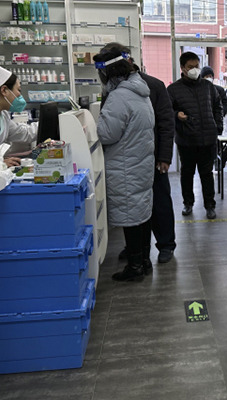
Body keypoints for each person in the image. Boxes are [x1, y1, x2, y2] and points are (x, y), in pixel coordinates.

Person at [102, 43, 177, 264]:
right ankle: (136, 248)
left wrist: (164, 157)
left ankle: (165, 244)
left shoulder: (153, 85)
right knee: (134, 206)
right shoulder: (113, 88)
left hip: (152, 158)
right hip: (130, 159)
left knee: (159, 202)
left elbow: (166, 123)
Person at [95, 48, 156, 282]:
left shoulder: (119, 96)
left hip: (125, 166)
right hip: (139, 163)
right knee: (141, 214)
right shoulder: (140, 92)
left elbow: (107, 134)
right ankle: (145, 260)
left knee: (131, 217)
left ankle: (135, 266)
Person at [167, 52, 223, 220]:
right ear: (182, 68)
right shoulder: (173, 89)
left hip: (207, 140)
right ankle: (188, 203)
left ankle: (210, 206)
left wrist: (217, 128)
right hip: (187, 140)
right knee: (187, 174)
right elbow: (166, 111)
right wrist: (177, 115)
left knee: (207, 174)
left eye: (196, 66)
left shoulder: (208, 87)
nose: (194, 70)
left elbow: (218, 107)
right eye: (190, 67)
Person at [201, 66, 227, 168]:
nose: (209, 78)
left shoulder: (219, 90)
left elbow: (225, 103)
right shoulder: (200, 91)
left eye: (210, 76)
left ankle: (218, 163)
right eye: (206, 76)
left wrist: (220, 114)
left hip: (216, 124)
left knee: (216, 145)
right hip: (203, 126)